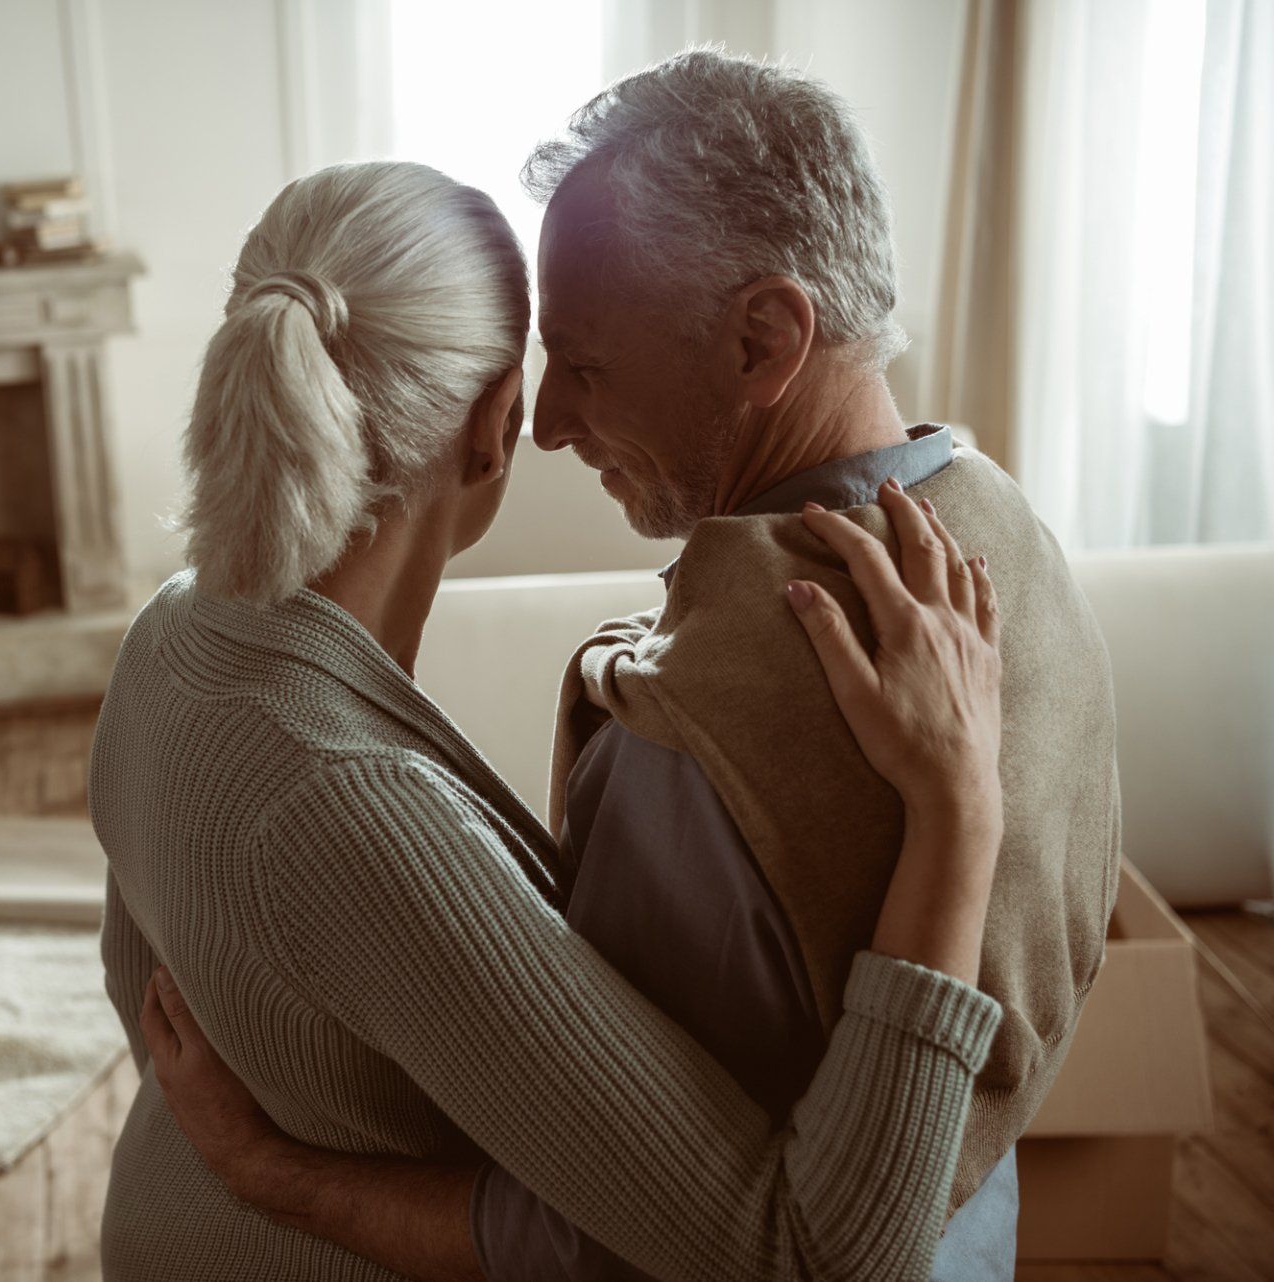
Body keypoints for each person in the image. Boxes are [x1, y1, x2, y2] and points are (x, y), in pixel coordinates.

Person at [140, 50, 1122, 1282]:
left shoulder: (698, 739)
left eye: (588, 361)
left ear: (765, 337)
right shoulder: (1012, 538)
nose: (547, 421)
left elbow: (635, 1237)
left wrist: (278, 1178)